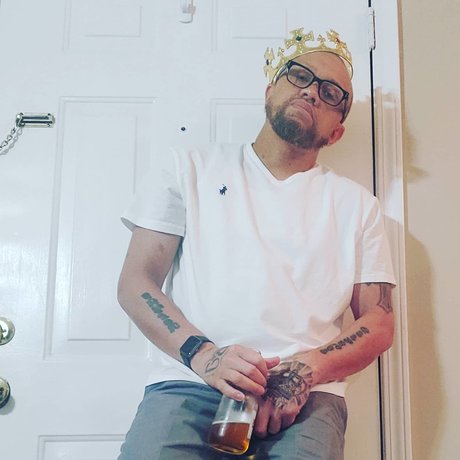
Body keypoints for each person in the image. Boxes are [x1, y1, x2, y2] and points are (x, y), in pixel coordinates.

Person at [117, 27, 395, 460]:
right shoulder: (188, 168)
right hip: (190, 383)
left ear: (336, 133)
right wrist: (205, 357)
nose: (312, 92)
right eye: (300, 75)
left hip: (308, 397)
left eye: (331, 93)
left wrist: (303, 371)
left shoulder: (359, 206)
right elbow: (137, 283)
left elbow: (378, 322)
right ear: (270, 90)